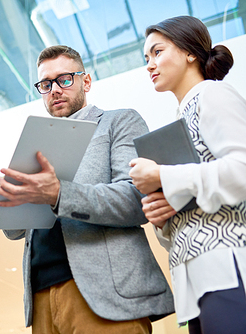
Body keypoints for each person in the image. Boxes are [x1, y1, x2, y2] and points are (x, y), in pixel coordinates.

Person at [0, 45, 174, 334]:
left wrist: (58, 194)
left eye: (64, 79)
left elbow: (135, 198)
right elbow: (13, 231)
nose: (54, 90)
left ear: (86, 81)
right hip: (40, 296)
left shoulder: (119, 121)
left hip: (105, 294)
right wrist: (12, 201)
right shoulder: (36, 144)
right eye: (45, 84)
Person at [129, 16, 246, 334]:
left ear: (189, 52)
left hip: (229, 267)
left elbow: (242, 171)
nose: (149, 64)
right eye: (146, 58)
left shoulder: (213, 94)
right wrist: (164, 214)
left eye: (157, 52)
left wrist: (163, 176)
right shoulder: (180, 117)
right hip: (195, 280)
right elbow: (192, 209)